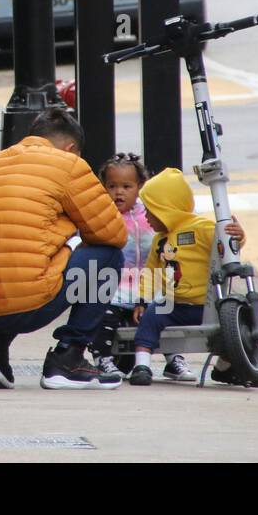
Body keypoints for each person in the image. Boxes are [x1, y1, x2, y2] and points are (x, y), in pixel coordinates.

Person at [0, 108, 127, 391]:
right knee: (107, 256)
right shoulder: (68, 165)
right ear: (70, 148)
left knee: (9, 260)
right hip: (26, 303)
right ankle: (69, 356)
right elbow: (112, 233)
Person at [126, 169, 246, 387]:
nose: (146, 217)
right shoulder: (159, 241)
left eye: (150, 211)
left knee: (239, 323)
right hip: (177, 305)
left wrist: (237, 235)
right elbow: (151, 274)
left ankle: (223, 368)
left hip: (210, 306)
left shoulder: (202, 228)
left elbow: (226, 246)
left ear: (166, 210)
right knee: (153, 314)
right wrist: (142, 300)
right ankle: (141, 365)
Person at [87, 153, 170, 379]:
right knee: (102, 315)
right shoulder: (103, 215)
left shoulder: (151, 214)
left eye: (126, 186)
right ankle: (103, 358)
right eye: (112, 186)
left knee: (166, 311)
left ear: (140, 187)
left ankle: (174, 359)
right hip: (115, 284)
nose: (119, 192)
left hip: (148, 282)